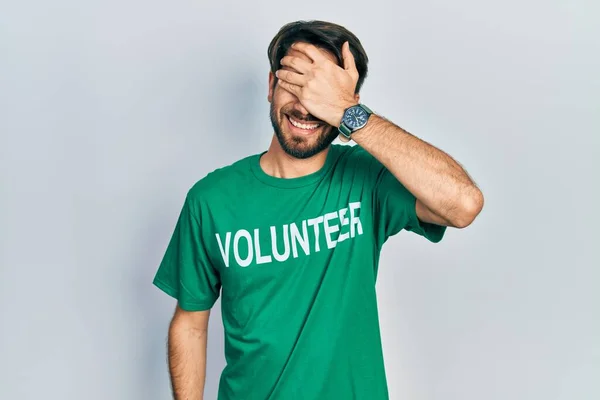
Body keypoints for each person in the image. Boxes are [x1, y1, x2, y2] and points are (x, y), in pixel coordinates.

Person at [152, 19, 484, 400]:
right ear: (271, 86)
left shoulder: (367, 179)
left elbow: (463, 204)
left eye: (322, 93)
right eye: (295, 83)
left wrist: (349, 114)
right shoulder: (211, 199)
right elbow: (191, 323)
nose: (306, 107)